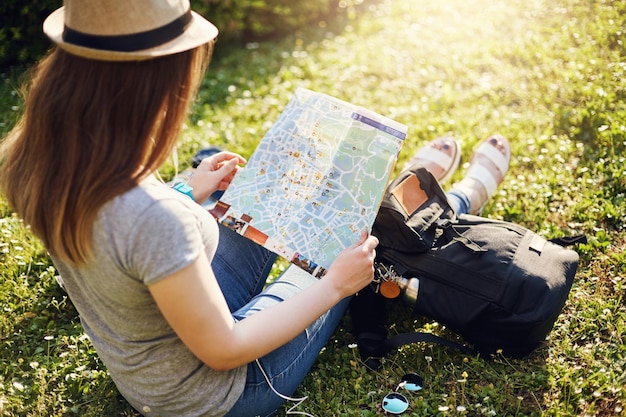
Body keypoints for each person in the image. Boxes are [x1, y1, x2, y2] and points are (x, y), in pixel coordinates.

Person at [0, 1, 509, 416]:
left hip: (157, 343)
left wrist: (187, 192)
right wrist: (334, 284)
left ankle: (409, 189)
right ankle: (448, 195)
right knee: (350, 241)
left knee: (282, 195)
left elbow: (119, 246)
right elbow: (224, 349)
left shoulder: (33, 158)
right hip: (218, 391)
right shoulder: (153, 218)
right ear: (150, 89)